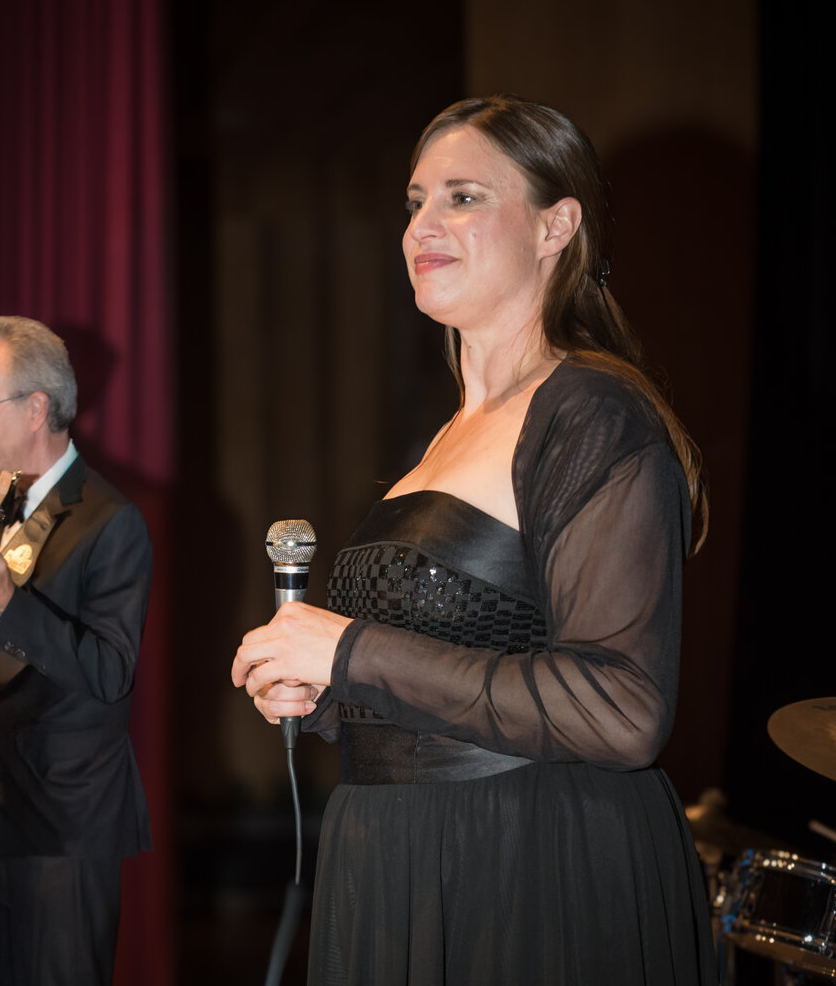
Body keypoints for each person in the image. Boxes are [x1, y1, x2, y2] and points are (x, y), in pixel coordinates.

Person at [231, 95, 716, 984]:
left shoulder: (590, 413)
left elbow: (621, 709)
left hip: (530, 863)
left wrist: (350, 650)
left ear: (554, 226)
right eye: (415, 201)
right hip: (398, 859)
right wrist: (325, 690)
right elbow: (439, 672)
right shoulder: (449, 434)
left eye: (463, 197)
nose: (422, 225)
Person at [0, 316, 152, 986]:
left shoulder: (113, 520)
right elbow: (32, 628)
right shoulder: (0, 501)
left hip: (62, 830)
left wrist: (2, 606)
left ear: (37, 407)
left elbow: (110, 671)